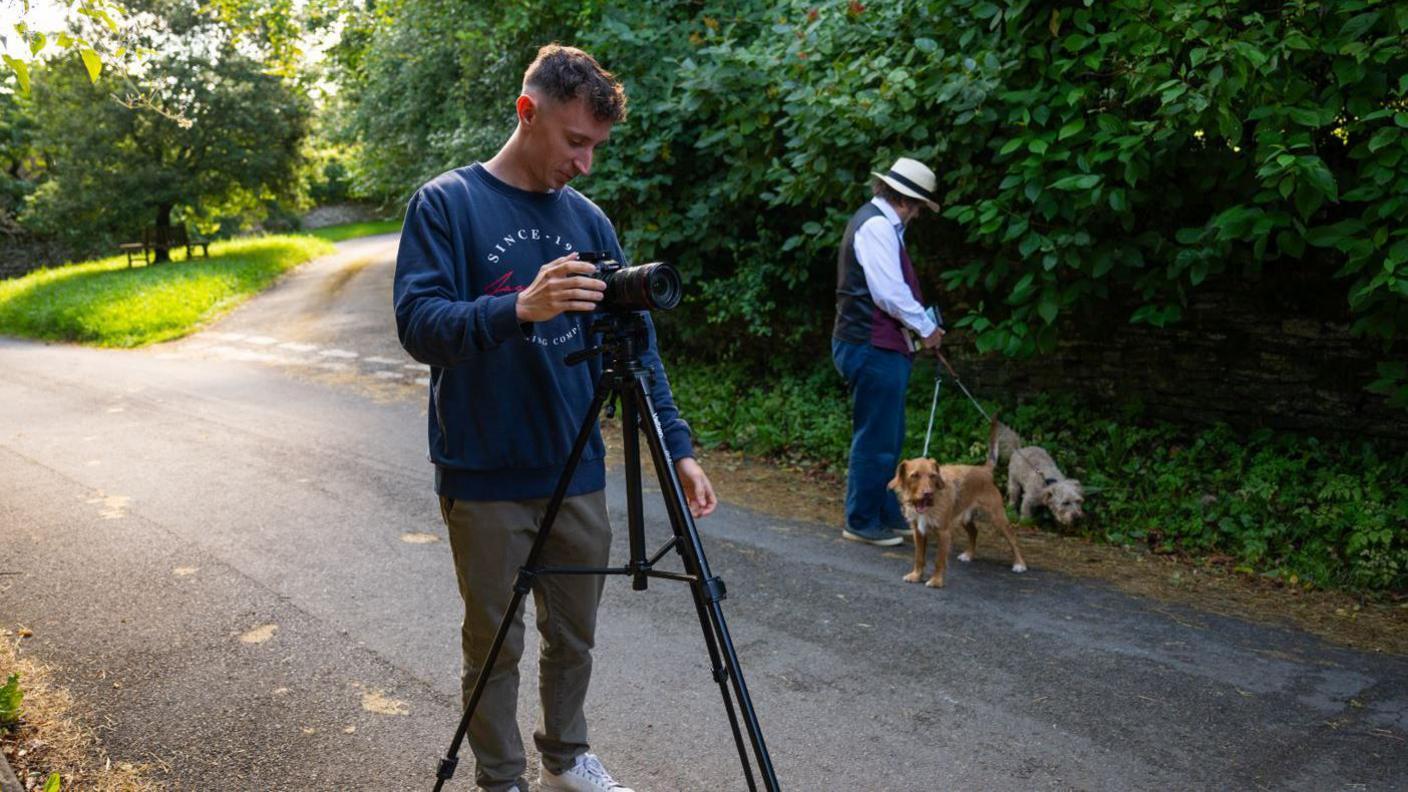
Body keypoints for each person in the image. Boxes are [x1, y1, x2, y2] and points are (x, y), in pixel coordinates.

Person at [393, 44, 717, 792]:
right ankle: (501, 777)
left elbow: (639, 344)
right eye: (576, 142)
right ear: (527, 113)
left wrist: (678, 446)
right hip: (483, 473)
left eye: (597, 146)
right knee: (494, 643)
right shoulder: (447, 203)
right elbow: (418, 325)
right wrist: (519, 307)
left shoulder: (589, 220)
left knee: (573, 636)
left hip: (575, 470)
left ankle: (566, 756)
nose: (586, 163)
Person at [831, 157, 945, 547]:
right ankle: (861, 520)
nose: (917, 215)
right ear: (908, 202)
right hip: (869, 344)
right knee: (875, 438)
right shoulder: (878, 226)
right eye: (918, 207)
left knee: (889, 437)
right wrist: (927, 329)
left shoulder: (880, 224)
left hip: (877, 345)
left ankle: (880, 513)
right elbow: (890, 294)